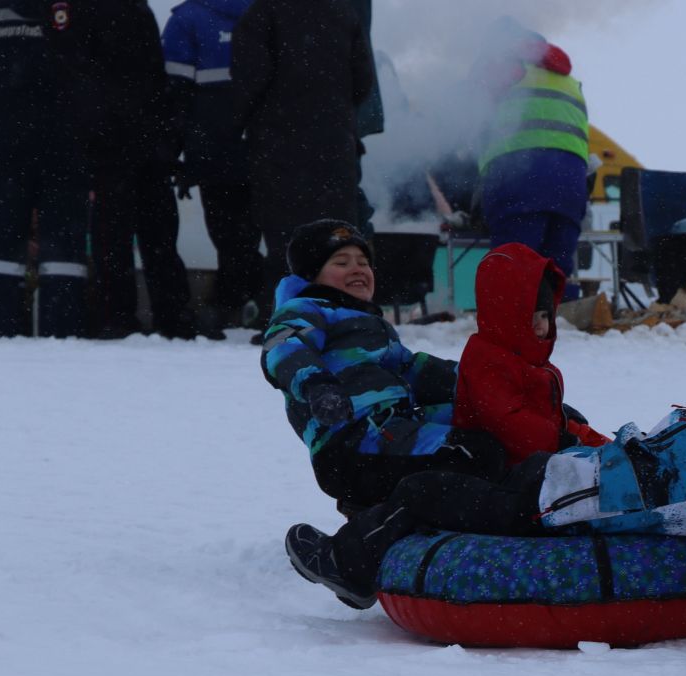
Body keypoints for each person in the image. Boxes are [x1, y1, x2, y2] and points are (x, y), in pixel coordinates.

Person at [284, 378, 686, 611]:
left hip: (540, 515)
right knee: (474, 462)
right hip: (554, 478)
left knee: (422, 489)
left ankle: (350, 565)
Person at [261, 220, 502, 519]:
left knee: (494, 422)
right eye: (341, 261)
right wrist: (318, 385)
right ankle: (370, 537)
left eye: (364, 262)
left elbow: (413, 369)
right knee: (470, 451)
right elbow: (285, 348)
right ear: (312, 275)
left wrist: (488, 383)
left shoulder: (371, 325)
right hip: (351, 442)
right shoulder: (305, 309)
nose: (358, 268)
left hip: (393, 426)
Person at [0, 0, 93, 337]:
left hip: (7, 147)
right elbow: (100, 68)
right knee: (63, 249)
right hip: (66, 147)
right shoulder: (77, 10)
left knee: (1, 246)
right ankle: (63, 328)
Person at [232, 0, 373, 320]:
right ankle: (343, 316)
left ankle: (289, 317)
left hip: (280, 145)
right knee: (336, 237)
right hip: (336, 147)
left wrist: (241, 123)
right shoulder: (343, 12)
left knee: (286, 238)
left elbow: (249, 78)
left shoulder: (262, 13)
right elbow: (363, 82)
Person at [81, 0, 194, 339]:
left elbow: (83, 78)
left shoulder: (88, 14)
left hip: (113, 146)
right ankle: (172, 318)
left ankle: (117, 317)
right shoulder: (137, 11)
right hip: (148, 141)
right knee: (157, 237)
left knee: (112, 238)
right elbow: (154, 77)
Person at [453, 241, 609, 465]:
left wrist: (584, 436)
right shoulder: (487, 359)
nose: (540, 325)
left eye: (544, 316)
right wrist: (558, 440)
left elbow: (543, 412)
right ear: (505, 316)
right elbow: (507, 421)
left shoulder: (527, 355)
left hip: (536, 454)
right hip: (502, 466)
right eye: (531, 317)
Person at [163, 0, 264, 332]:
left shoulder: (187, 19)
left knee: (225, 232)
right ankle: (250, 299)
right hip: (267, 146)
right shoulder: (269, 12)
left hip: (211, 150)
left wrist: (174, 152)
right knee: (250, 233)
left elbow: (174, 94)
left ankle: (231, 301)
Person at [471, 19, 591, 290]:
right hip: (571, 181)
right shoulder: (568, 79)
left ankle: (511, 322)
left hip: (520, 175)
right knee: (556, 268)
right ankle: (557, 322)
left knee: (514, 261)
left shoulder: (502, 68)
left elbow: (472, 120)